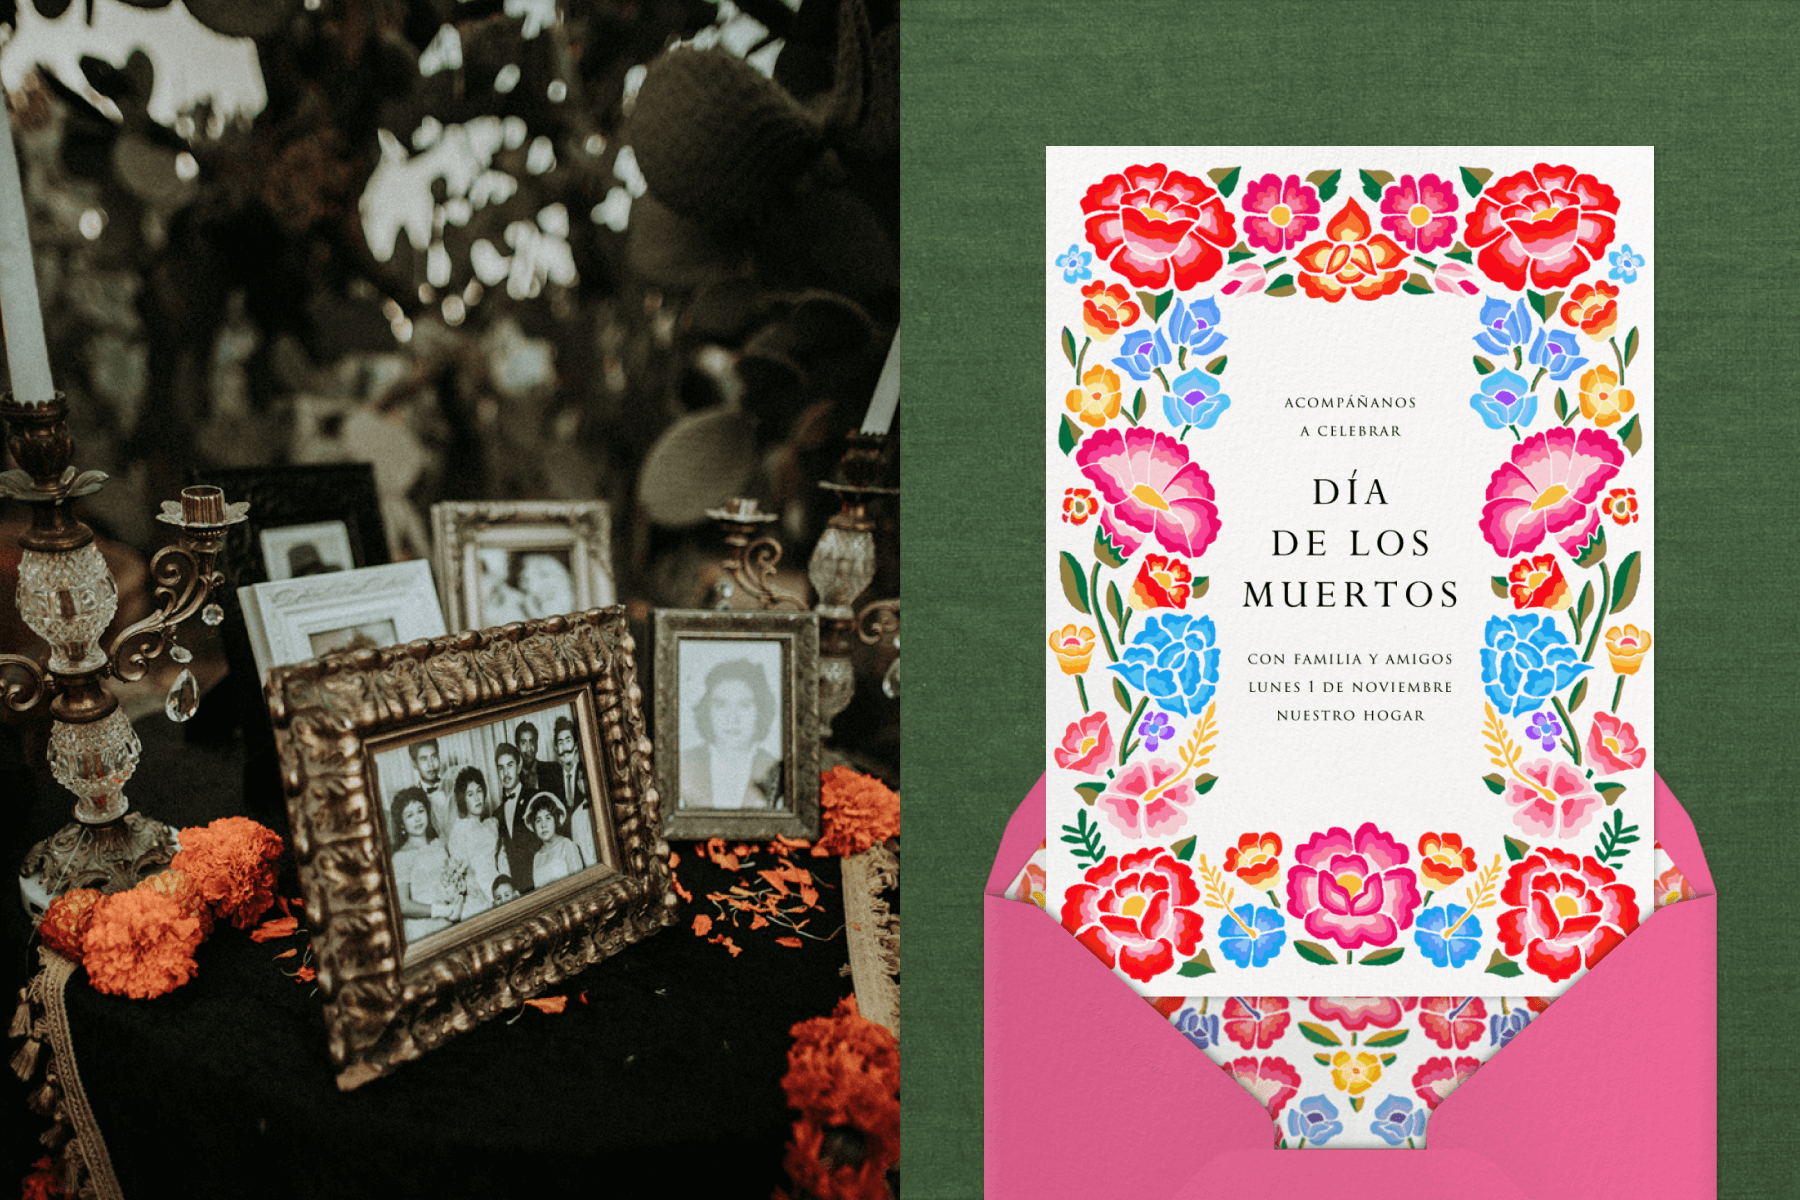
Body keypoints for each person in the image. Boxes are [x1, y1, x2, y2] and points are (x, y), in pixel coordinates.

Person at [680, 657, 782, 809]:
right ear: (707, 711)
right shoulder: (684, 764)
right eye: (721, 705)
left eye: (744, 705)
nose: (732, 718)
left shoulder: (775, 770)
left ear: (760, 710)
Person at [389, 786, 459, 944]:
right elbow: (403, 905)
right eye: (409, 815)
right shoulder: (400, 858)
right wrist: (441, 910)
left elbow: (450, 881)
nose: (417, 819)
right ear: (402, 823)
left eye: (420, 811)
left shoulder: (438, 844)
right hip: (422, 930)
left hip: (448, 922)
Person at [445, 766, 503, 919]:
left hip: (498, 886)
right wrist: (486, 900)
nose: (477, 798)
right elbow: (462, 874)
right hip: (476, 895)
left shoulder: (492, 825)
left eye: (479, 791)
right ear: (463, 799)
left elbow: (500, 859)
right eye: (470, 794)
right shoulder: (459, 830)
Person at [545, 715, 599, 866]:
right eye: (560, 743)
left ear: (575, 745)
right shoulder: (551, 781)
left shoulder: (586, 774)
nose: (564, 748)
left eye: (568, 740)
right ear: (556, 749)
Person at [492, 742, 539, 892]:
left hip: (540, 879)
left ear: (519, 767)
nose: (506, 773)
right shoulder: (496, 814)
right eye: (501, 768)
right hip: (517, 890)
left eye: (510, 765)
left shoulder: (534, 797)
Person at [527, 792, 585, 887]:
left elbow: (579, 884)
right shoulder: (537, 857)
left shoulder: (567, 845)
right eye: (538, 820)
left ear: (555, 820)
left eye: (548, 818)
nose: (543, 825)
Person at [407, 739, 454, 838]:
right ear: (414, 764)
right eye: (424, 759)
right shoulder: (413, 798)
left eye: (434, 757)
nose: (431, 764)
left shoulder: (454, 786)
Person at [515, 720, 546, 800]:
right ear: (518, 748)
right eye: (523, 743)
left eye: (531, 742)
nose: (528, 748)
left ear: (537, 745)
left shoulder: (553, 769)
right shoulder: (514, 779)